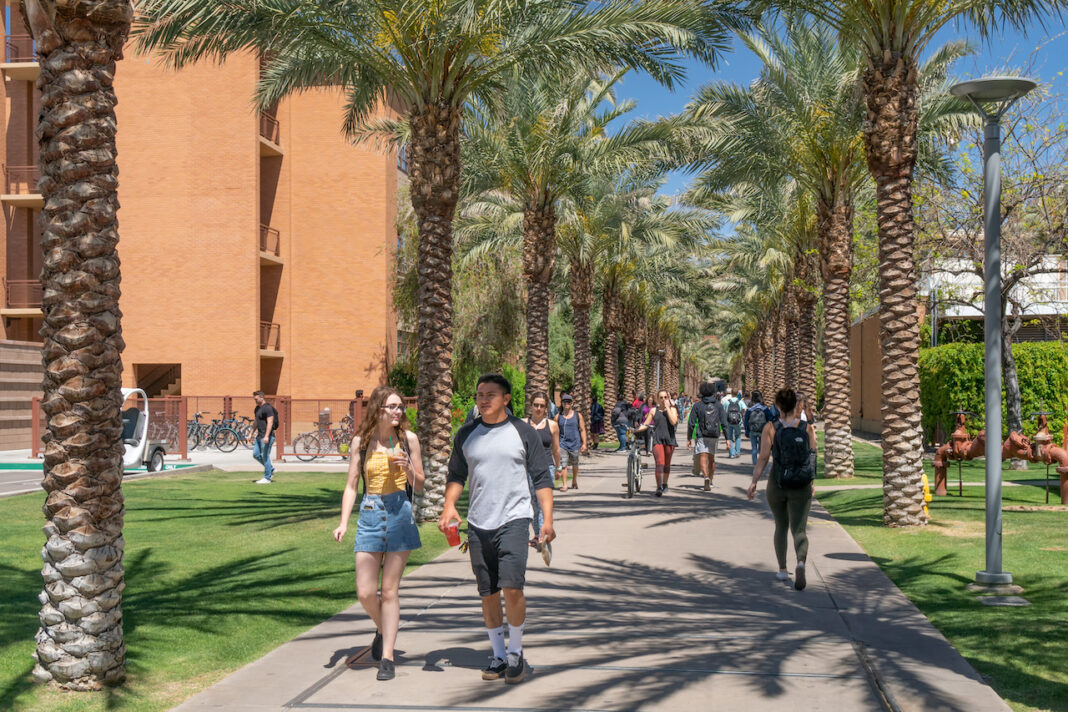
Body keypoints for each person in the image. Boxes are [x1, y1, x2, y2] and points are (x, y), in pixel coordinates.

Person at [440, 374, 555, 684]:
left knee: (512, 587)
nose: (483, 399)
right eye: (479, 394)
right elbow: (456, 475)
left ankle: (515, 651)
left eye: (491, 394)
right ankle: (498, 655)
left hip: (515, 520)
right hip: (478, 523)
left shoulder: (523, 433)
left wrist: (547, 521)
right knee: (488, 592)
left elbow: (542, 478)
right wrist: (450, 505)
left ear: (506, 399)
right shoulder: (467, 434)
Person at [333, 386, 425, 680]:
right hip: (370, 514)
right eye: (393, 407)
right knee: (364, 592)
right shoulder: (361, 442)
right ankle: (384, 627)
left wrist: (408, 468)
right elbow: (351, 486)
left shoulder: (409, 440)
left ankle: (387, 657)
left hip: (400, 513)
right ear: (378, 409)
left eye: (401, 407)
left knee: (389, 591)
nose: (399, 412)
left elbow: (420, 484)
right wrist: (344, 522)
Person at [747, 388, 817, 591]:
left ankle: (782, 568)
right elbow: (812, 456)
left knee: (781, 526)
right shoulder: (806, 428)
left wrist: (754, 482)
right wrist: (812, 482)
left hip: (777, 482)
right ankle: (801, 563)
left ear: (777, 405)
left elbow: (763, 458)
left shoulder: (771, 427)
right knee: (799, 529)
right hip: (801, 484)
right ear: (796, 405)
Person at [524, 392, 560, 566]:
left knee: (542, 501)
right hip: (528, 469)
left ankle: (541, 537)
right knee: (532, 503)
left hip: (547, 467)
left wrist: (559, 467)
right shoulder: (523, 425)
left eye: (541, 406)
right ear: (531, 406)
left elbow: (556, 449)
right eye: (535, 405)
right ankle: (539, 532)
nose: (538, 408)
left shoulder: (552, 425)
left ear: (546, 408)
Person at [634, 390, 679, 496]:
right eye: (661, 397)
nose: (663, 399)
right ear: (658, 399)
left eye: (665, 397)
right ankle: (659, 487)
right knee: (659, 463)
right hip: (657, 439)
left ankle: (665, 484)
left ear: (668, 398)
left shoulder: (673, 409)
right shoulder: (653, 410)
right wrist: (636, 430)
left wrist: (668, 407)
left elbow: (673, 421)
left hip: (669, 439)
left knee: (667, 465)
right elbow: (646, 424)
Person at [686, 382, 726, 491]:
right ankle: (711, 480)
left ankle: (706, 477)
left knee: (703, 456)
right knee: (711, 458)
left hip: (701, 435)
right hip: (714, 434)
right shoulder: (718, 405)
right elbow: (724, 422)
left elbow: (691, 423)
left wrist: (689, 438)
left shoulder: (697, 405)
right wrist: (727, 439)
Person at [556, 393, 588, 491]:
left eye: (569, 402)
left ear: (572, 403)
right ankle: (565, 484)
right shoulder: (558, 417)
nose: (567, 404)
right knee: (563, 464)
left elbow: (582, 430)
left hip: (575, 443)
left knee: (575, 464)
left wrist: (584, 443)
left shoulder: (578, 416)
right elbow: (555, 431)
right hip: (562, 444)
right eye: (565, 402)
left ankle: (574, 480)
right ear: (562, 403)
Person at [252, 391, 279, 484]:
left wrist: (267, 436)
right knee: (255, 454)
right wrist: (250, 433)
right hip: (259, 436)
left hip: (268, 436)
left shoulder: (268, 408)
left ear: (261, 397)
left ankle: (267, 478)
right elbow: (256, 421)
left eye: (256, 399)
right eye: (254, 399)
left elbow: (270, 422)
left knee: (265, 456)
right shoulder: (257, 409)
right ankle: (271, 469)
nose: (255, 400)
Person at [744, 390, 774, 466]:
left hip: (752, 430)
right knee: (761, 448)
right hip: (762, 431)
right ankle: (761, 464)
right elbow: (770, 418)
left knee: (754, 448)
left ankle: (755, 464)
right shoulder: (764, 408)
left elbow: (746, 420)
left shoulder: (750, 408)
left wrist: (747, 431)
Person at [724, 390, 747, 459]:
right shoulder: (740, 402)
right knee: (738, 436)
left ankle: (732, 453)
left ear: (731, 393)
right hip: (738, 422)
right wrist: (741, 414)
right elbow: (745, 409)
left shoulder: (727, 402)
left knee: (730, 437)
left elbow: (724, 411)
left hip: (729, 421)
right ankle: (737, 452)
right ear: (737, 394)